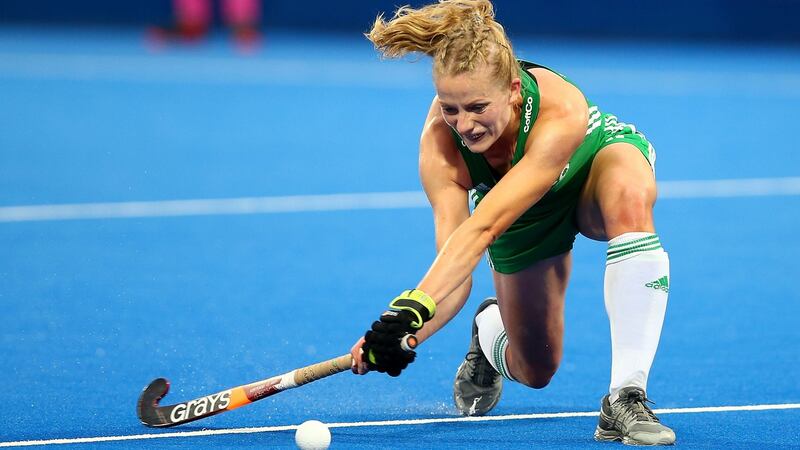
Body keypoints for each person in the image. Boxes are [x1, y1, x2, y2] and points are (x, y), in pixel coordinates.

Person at [349, 0, 675, 445]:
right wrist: (402, 330)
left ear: (512, 90)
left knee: (630, 194)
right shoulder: (440, 149)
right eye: (450, 108)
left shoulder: (561, 109)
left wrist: (412, 302)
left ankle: (626, 397)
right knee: (535, 369)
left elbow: (482, 229)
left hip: (590, 172)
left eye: (477, 106)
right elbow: (456, 266)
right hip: (523, 217)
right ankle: (488, 332)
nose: (464, 124)